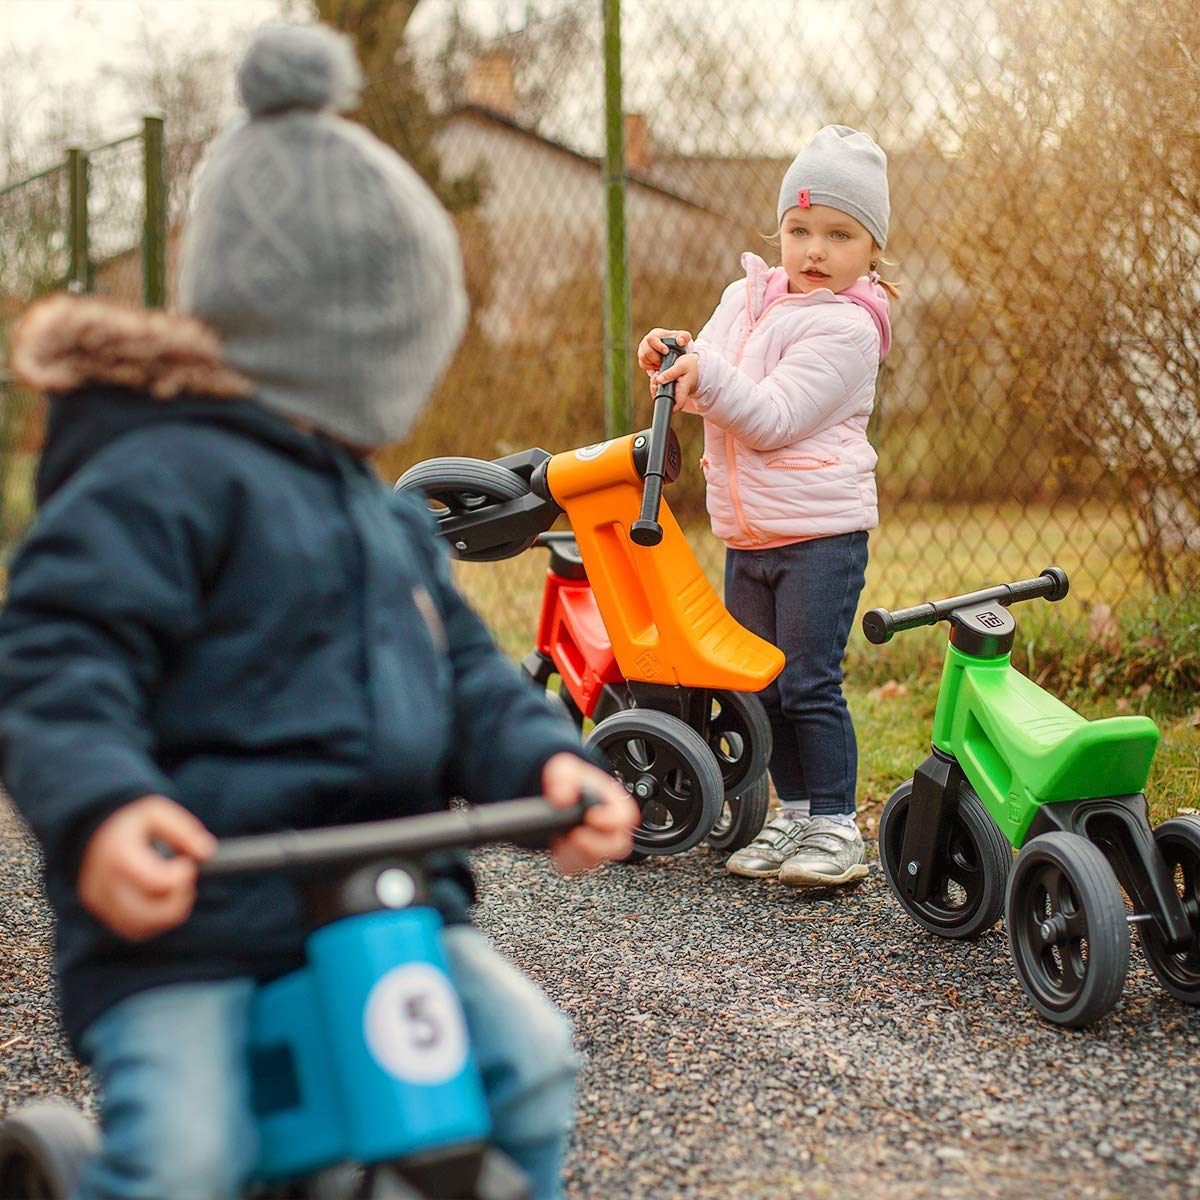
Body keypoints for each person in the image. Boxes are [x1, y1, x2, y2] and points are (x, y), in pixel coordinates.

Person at [0, 23, 637, 1200]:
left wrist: (546, 765)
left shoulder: (378, 513)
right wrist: (104, 809)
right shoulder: (156, 479)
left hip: (387, 909)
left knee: (532, 1065)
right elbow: (56, 660)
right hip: (191, 922)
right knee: (186, 1157)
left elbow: (465, 677)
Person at [637, 125, 897, 890]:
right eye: (800, 230)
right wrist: (672, 355)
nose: (815, 249)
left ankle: (837, 825)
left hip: (819, 535)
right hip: (748, 533)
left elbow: (774, 414)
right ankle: (794, 813)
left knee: (809, 681)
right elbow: (706, 369)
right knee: (760, 681)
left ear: (873, 249)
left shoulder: (850, 327)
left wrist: (706, 372)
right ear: (779, 231)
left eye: (840, 234)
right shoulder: (743, 299)